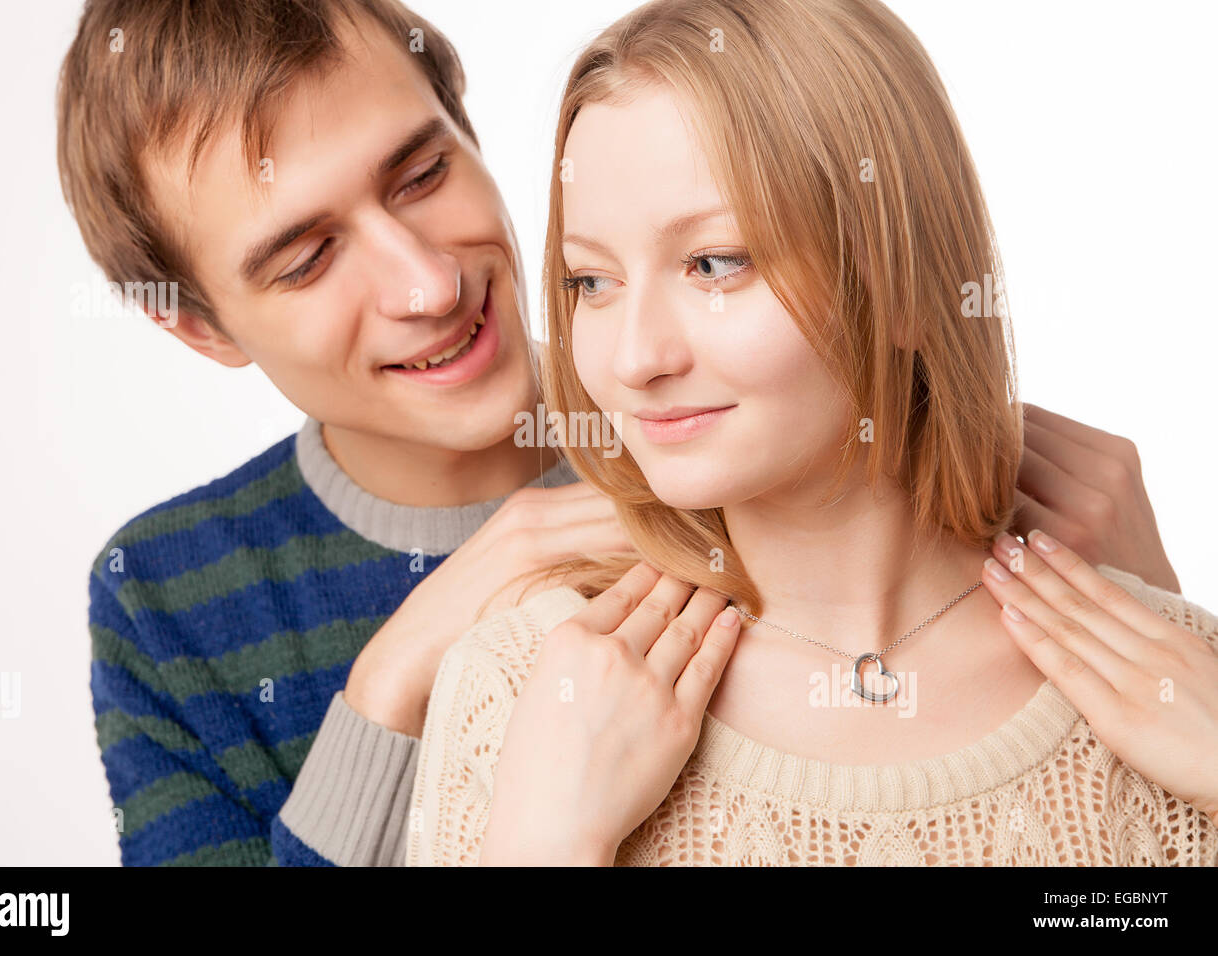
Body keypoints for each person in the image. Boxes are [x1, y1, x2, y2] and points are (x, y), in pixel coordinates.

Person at [61, 0, 1187, 866]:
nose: (427, 282)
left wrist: (1153, 606)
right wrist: (396, 682)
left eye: (422, 172)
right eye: (306, 258)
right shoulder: (161, 597)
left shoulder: (754, 434)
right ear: (203, 327)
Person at [406, 0, 1218, 866]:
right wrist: (548, 844)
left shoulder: (1183, 685)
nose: (634, 357)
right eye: (590, 282)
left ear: (905, 282)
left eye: (713, 265)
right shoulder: (518, 689)